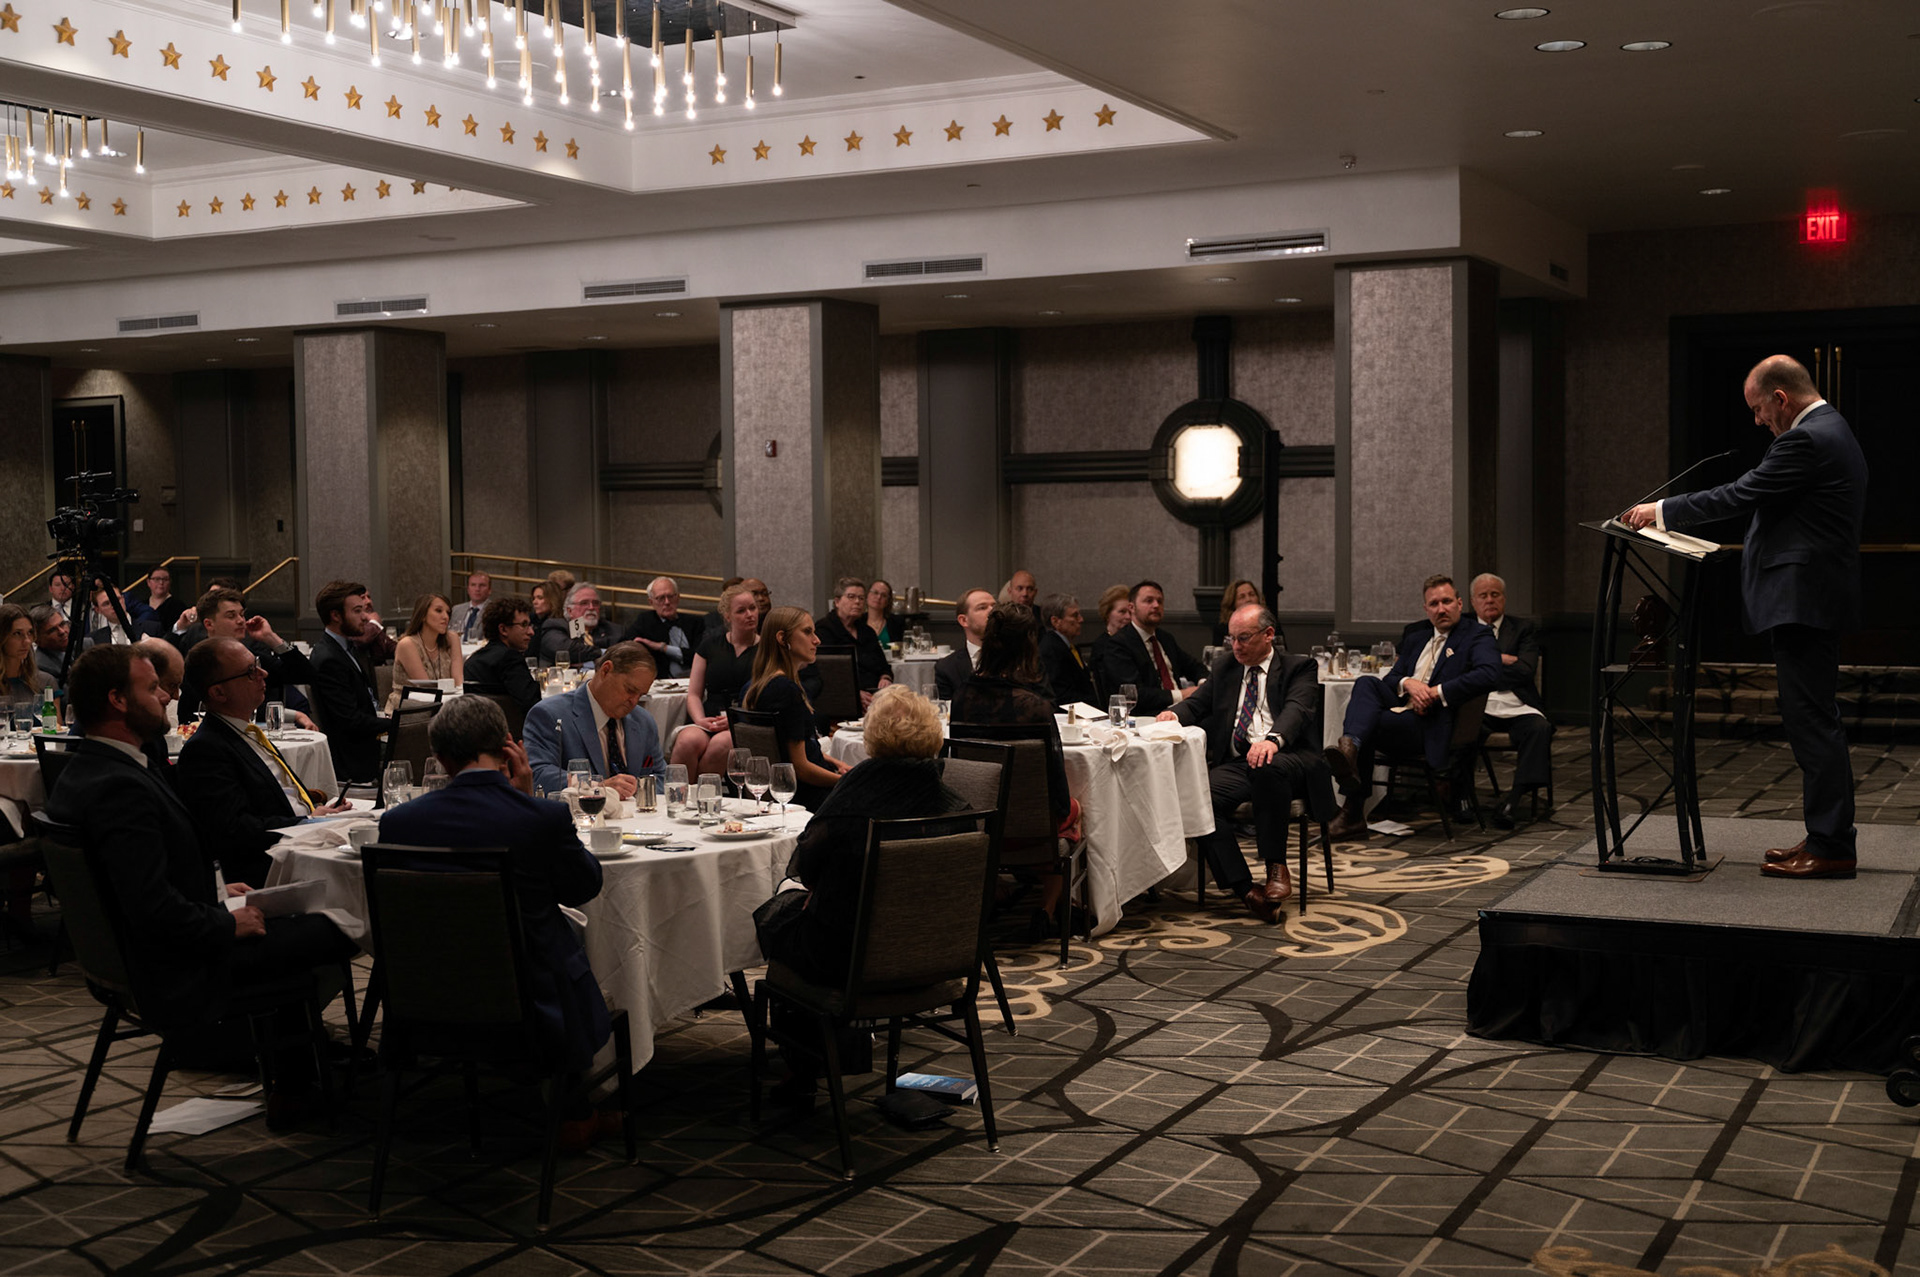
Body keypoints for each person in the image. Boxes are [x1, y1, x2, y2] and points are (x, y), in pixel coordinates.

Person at [45, 645, 357, 1127]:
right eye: (152, 689)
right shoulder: (118, 787)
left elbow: (144, 879)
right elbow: (149, 907)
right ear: (118, 700)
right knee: (329, 927)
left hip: (148, 953)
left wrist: (215, 892)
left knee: (304, 914)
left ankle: (299, 1065)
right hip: (175, 967)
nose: (168, 698)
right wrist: (221, 921)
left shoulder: (90, 770)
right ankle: (295, 1087)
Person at [1622, 353, 1868, 879]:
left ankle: (1831, 847)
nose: (1758, 420)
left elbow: (1741, 493)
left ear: (1781, 398)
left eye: (1759, 409)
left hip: (1805, 601)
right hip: (1811, 600)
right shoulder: (1832, 428)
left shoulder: (1806, 438)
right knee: (1814, 719)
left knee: (1812, 722)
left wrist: (1660, 510)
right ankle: (1826, 835)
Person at [377, 695, 611, 1073]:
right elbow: (584, 887)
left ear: (439, 756)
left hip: (428, 993)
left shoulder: (399, 822)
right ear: (507, 747)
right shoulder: (541, 817)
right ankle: (574, 1110)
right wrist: (526, 798)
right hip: (534, 1001)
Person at [753, 686, 969, 987]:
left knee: (780, 909)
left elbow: (806, 866)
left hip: (851, 958)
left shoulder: (854, 796)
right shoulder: (955, 805)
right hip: (935, 951)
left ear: (873, 734)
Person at [1161, 605, 1325, 923]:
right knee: (1198, 800)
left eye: (1244, 638)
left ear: (1268, 635)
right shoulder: (1226, 667)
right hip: (1240, 762)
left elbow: (1297, 710)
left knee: (1267, 766)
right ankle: (1246, 891)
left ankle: (1276, 865)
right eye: (1232, 639)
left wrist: (1273, 740)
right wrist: (1173, 715)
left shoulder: (1299, 666)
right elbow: (1197, 703)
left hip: (1288, 758)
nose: (1236, 646)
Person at [1324, 574, 1501, 840]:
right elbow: (1393, 676)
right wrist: (1409, 683)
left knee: (1369, 722)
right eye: (1434, 604)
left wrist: (1434, 692)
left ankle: (1352, 808)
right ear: (1425, 609)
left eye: (1446, 601)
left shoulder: (1477, 635)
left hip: (1432, 723)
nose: (1441, 609)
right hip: (1401, 713)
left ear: (1459, 603)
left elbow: (1490, 673)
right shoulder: (1416, 637)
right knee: (1365, 683)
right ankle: (1350, 747)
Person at [951, 604, 1080, 937]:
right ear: (1028, 646)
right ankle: (1046, 909)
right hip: (1032, 832)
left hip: (979, 825)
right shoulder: (1034, 707)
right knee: (1074, 811)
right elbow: (1055, 787)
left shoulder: (962, 697)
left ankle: (993, 887)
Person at [175, 638, 347, 884]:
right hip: (274, 867)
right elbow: (236, 830)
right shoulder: (206, 749)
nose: (263, 673)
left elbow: (275, 797)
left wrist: (320, 815)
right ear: (218, 692)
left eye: (257, 664)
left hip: (303, 837)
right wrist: (309, 822)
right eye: (250, 671)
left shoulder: (245, 732)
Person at [740, 607, 851, 811]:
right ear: (783, 639)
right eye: (807, 632)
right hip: (808, 799)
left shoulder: (758, 686)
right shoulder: (785, 690)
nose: (816, 640)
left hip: (785, 793)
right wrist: (844, 782)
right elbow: (800, 769)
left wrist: (834, 761)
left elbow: (787, 748)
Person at [1466, 573, 1555, 830]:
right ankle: (1462, 796)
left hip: (1518, 703)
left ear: (1504, 599)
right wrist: (1502, 659)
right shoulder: (1465, 629)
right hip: (1479, 703)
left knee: (1540, 729)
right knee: (1461, 728)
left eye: (1495, 594)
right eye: (1483, 595)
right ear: (1473, 602)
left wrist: (1482, 666)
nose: (1490, 600)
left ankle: (1513, 800)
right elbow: (1459, 669)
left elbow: (1525, 670)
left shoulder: (1523, 629)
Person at [524, 641, 667, 798]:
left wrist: (635, 789)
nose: (634, 701)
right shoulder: (550, 715)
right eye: (630, 690)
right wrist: (596, 787)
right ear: (605, 671)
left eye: (641, 695)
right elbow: (537, 775)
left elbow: (661, 777)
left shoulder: (643, 721)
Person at [171, 586, 317, 727]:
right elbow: (193, 713)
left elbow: (304, 674)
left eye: (241, 614)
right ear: (209, 624)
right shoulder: (199, 662)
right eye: (231, 615)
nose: (241, 620)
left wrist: (271, 637)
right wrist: (295, 715)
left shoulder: (254, 656)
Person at [672, 582, 759, 776]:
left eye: (753, 608)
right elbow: (694, 694)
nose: (750, 614)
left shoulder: (766, 650)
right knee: (686, 741)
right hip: (710, 717)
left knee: (722, 745)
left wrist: (734, 718)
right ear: (728, 616)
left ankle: (701, 798)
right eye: (741, 610)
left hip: (744, 719)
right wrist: (700, 719)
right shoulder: (709, 645)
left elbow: (766, 698)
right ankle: (678, 799)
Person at [308, 579, 390, 783]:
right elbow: (350, 721)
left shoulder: (345, 648)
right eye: (357, 611)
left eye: (364, 610)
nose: (365, 618)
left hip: (364, 745)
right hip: (353, 763)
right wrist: (393, 724)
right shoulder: (329, 659)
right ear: (335, 615)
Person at [1099, 580, 1207, 716]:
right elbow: (1135, 695)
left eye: (1160, 601)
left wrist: (1203, 684)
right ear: (1131, 608)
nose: (1156, 605)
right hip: (1147, 716)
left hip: (1182, 709)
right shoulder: (1118, 644)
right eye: (1149, 601)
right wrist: (1182, 694)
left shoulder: (1164, 638)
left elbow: (1194, 666)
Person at [814, 576, 893, 704]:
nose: (857, 602)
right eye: (851, 597)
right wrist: (855, 694)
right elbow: (826, 674)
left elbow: (884, 666)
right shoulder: (825, 630)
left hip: (875, 695)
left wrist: (885, 678)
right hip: (842, 697)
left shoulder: (867, 631)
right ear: (837, 602)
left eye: (861, 598)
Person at [462, 595, 541, 711]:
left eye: (530, 625)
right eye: (524, 625)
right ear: (503, 629)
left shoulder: (471, 662)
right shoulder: (509, 659)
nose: (531, 632)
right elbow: (533, 704)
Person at [391, 592, 464, 702]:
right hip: (410, 709)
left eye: (448, 612)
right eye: (439, 611)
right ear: (423, 615)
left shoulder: (452, 639)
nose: (446, 617)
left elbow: (459, 683)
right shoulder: (407, 644)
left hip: (444, 707)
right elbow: (426, 689)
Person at [620, 576, 695, 678]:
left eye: (671, 596)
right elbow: (623, 646)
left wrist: (662, 648)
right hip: (661, 682)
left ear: (678, 598)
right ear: (651, 602)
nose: (667, 602)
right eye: (661, 598)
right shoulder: (645, 621)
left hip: (693, 680)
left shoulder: (694, 622)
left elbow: (699, 655)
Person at [1037, 592, 1098, 711]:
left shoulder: (1066, 645)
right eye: (1075, 616)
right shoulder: (1051, 649)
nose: (1081, 619)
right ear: (1056, 621)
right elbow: (1061, 694)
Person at [934, 588, 995, 702]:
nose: (992, 611)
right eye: (982, 607)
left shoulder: (1018, 659)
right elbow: (946, 713)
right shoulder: (947, 668)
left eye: (994, 606)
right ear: (963, 620)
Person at [539, 583, 614, 668]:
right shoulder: (556, 626)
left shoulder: (612, 629)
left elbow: (621, 659)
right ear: (570, 610)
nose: (591, 607)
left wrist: (586, 664)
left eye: (595, 603)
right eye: (584, 603)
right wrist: (603, 653)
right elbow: (568, 651)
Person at [0, 604, 49, 705]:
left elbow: (54, 720)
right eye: (17, 633)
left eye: (30, 633)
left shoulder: (44, 682)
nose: (27, 641)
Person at [29, 605, 69, 688]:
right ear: (37, 639)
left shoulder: (86, 645)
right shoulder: (41, 666)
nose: (62, 631)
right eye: (52, 630)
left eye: (62, 624)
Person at [1213, 580, 1263, 647]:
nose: (1248, 599)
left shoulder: (1270, 624)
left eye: (1252, 594)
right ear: (1233, 603)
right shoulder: (1223, 629)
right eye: (1242, 597)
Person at [449, 571, 493, 645]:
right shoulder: (456, 610)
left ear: (489, 590)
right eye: (473, 585)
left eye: (482, 585)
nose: (477, 589)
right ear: (468, 589)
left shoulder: (494, 610)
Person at [144, 566, 188, 637]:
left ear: (170, 582)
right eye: (157, 579)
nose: (161, 582)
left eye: (165, 579)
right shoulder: (142, 605)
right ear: (148, 582)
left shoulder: (178, 606)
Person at [865, 579, 895, 647]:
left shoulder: (896, 623)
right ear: (867, 596)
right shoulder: (857, 622)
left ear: (887, 601)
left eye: (884, 595)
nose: (879, 597)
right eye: (875, 592)